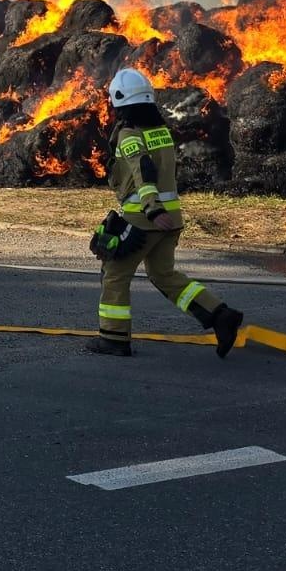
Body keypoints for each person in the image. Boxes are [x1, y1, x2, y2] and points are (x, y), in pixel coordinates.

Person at [89, 67, 243, 358]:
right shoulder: (161, 131)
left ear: (120, 102)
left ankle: (113, 339)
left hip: (144, 220)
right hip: (172, 220)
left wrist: (151, 209)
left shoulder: (129, 135)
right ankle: (220, 315)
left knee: (114, 275)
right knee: (164, 274)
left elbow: (142, 171)